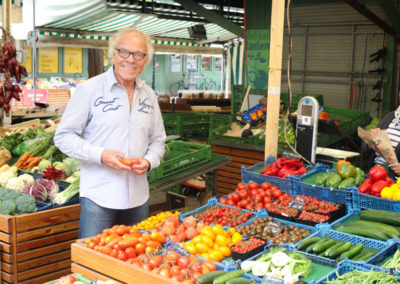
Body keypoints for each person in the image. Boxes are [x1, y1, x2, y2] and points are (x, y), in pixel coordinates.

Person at [54, 28, 166, 238]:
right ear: (112, 53)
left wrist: (149, 161)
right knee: (92, 265)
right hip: (99, 197)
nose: (130, 60)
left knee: (133, 264)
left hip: (138, 198)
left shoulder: (149, 95)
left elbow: (158, 139)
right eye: (124, 52)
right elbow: (63, 136)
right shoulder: (90, 90)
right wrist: (100, 155)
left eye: (138, 54)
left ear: (145, 60)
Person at [365, 106, 400, 179]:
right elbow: (370, 150)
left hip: (395, 182)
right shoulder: (390, 116)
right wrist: (372, 139)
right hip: (374, 173)